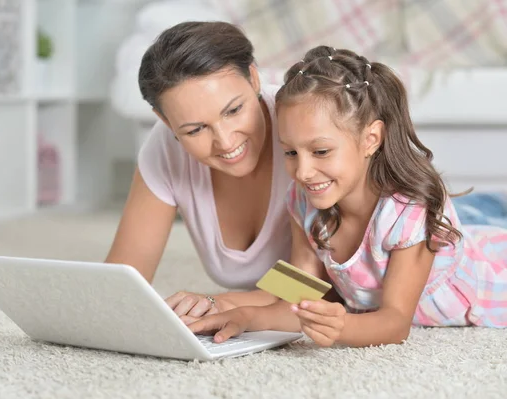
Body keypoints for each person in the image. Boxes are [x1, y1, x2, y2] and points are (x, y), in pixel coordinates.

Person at [188, 45, 507, 347]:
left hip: (490, 287)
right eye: (290, 152)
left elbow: (395, 323)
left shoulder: (407, 213)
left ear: (371, 139)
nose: (303, 171)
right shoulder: (303, 199)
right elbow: (296, 295)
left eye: (321, 150)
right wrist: (243, 316)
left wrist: (344, 327)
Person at [105, 22, 338, 321]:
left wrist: (222, 303)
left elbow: (331, 284)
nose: (226, 142)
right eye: (195, 129)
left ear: (253, 78)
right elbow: (123, 280)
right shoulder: (164, 149)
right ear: (164, 120)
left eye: (233, 111)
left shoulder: (307, 124)